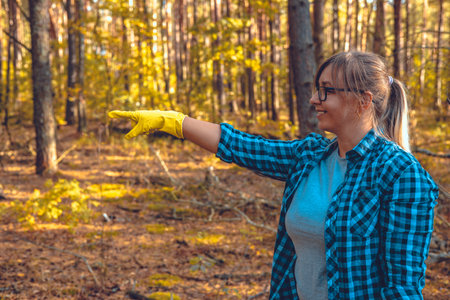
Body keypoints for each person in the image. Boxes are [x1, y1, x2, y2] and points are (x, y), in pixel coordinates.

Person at [108, 51, 439, 299]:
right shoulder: (310, 155)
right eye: (316, 89)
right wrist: (173, 122)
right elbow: (242, 146)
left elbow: (402, 288)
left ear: (363, 100)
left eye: (326, 91)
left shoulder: (400, 175)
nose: (314, 99)